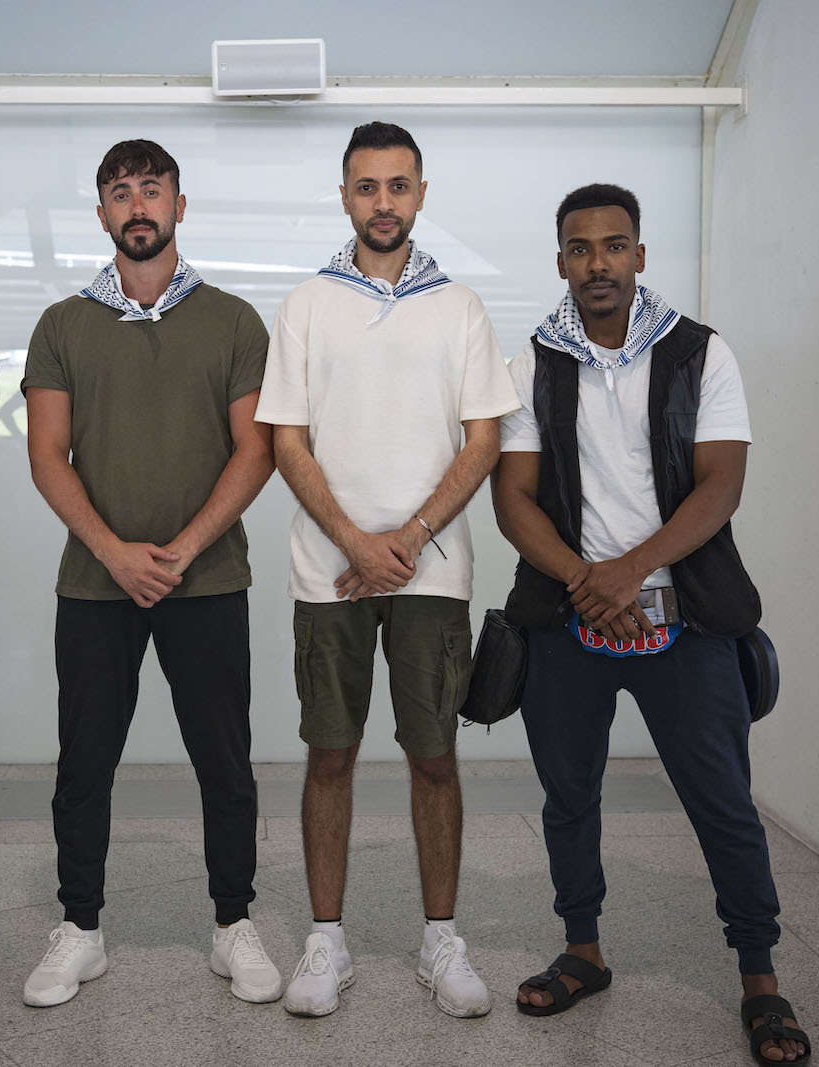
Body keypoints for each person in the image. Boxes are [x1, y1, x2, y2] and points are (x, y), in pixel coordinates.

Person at [491, 183, 811, 1064]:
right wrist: (585, 579)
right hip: (567, 620)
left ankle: (760, 979)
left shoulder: (703, 354)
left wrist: (628, 571)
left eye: (615, 244)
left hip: (688, 621)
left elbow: (721, 485)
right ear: (561, 260)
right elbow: (512, 499)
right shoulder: (531, 363)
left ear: (639, 253)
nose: (598, 262)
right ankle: (583, 950)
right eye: (580, 248)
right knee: (569, 798)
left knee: (722, 804)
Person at [255, 121, 519, 1019]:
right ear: (343, 197)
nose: (382, 201)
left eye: (398, 185)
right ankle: (326, 938)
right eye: (366, 186)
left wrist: (405, 538)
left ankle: (439, 937)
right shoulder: (304, 305)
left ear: (420, 194)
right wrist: (359, 544)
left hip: (432, 573)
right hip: (327, 572)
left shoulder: (463, 308)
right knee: (329, 752)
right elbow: (286, 441)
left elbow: (484, 439)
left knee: (434, 757)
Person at [19, 139, 282, 1007]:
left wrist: (181, 549)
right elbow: (47, 457)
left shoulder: (236, 320)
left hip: (206, 582)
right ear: (101, 214)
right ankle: (81, 928)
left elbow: (257, 450)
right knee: (84, 762)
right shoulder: (62, 324)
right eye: (120, 193)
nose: (138, 205)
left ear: (179, 204)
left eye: (151, 190)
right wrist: (116, 552)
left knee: (225, 762)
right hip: (97, 585)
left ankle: (232, 923)